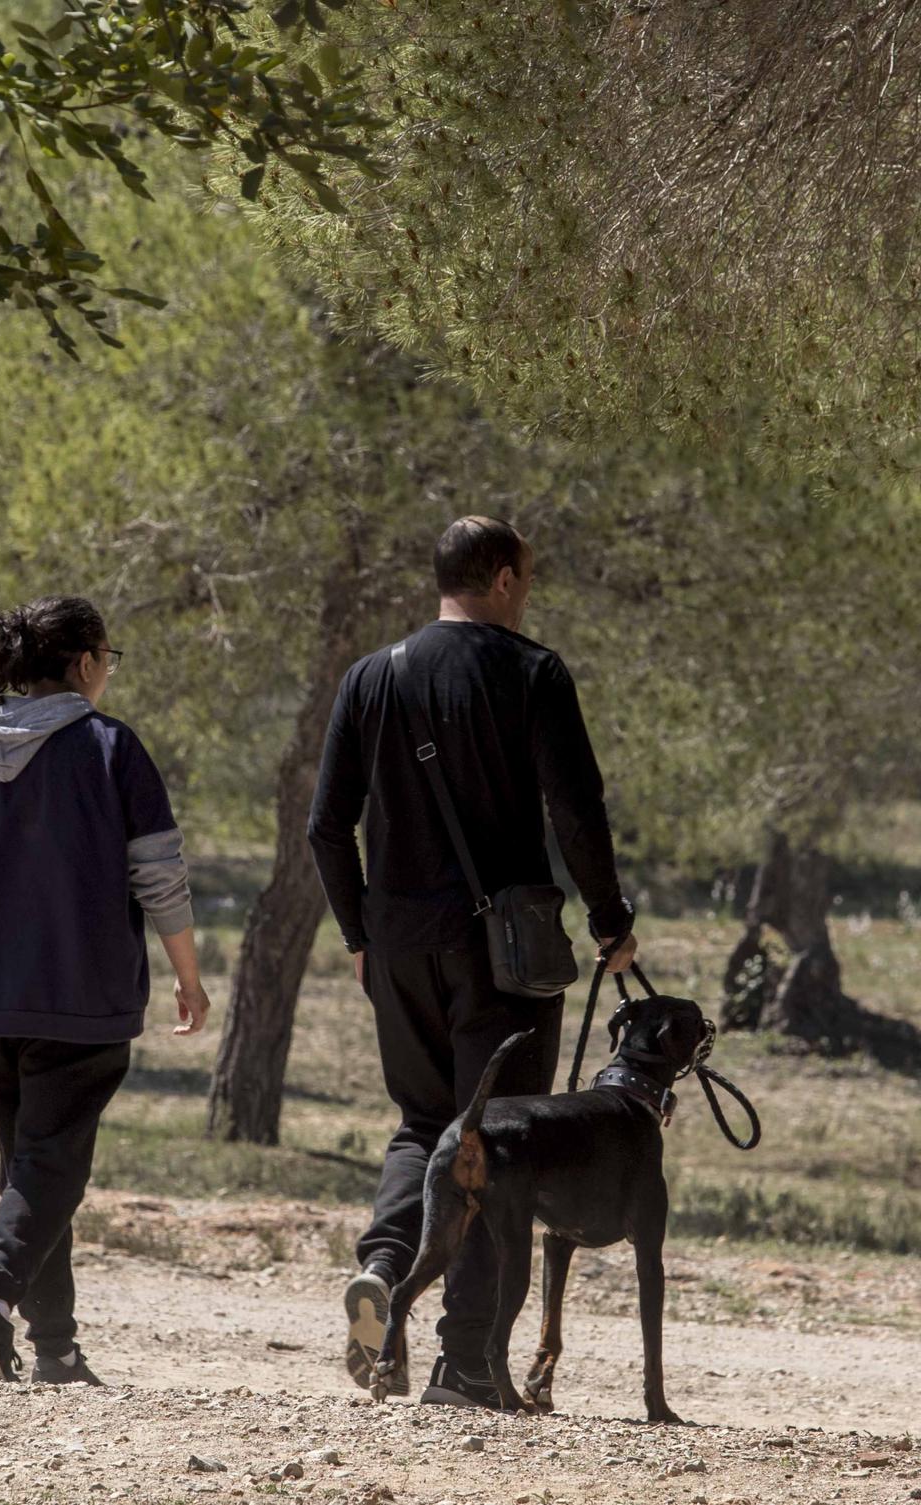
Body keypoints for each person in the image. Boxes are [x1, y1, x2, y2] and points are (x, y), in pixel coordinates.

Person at [309, 515, 639, 1409]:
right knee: (493, 1141)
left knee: (424, 1123)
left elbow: (325, 825)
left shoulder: (370, 677)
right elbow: (577, 811)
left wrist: (358, 934)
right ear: (498, 579)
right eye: (524, 579)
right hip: (508, 955)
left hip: (400, 946)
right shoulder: (534, 672)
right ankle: (465, 1365)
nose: (527, 594)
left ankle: (383, 1264)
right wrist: (611, 921)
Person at [0, 594, 211, 1386]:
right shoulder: (109, 747)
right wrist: (188, 976)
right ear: (85, 662)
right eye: (107, 659)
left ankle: (54, 1345)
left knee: (30, 1164)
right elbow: (158, 874)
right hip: (80, 998)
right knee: (52, 1164)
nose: (107, 675)